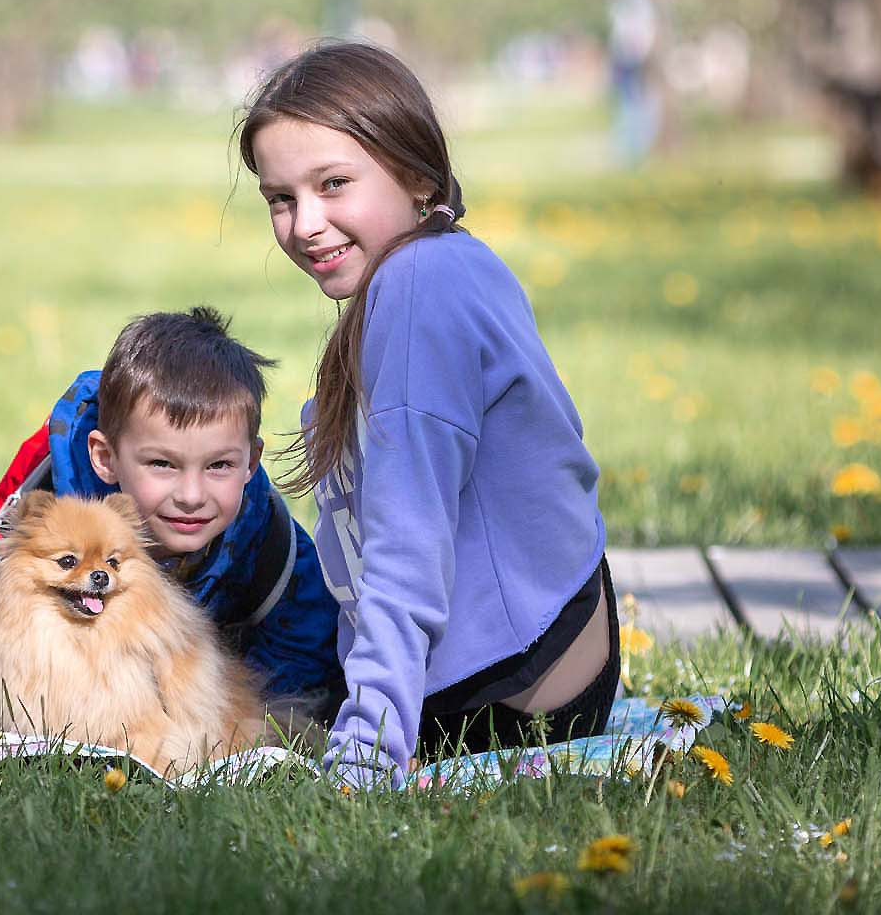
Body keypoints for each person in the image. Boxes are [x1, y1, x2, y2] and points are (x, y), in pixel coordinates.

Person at [239, 40, 614, 786]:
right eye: (281, 199)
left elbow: (409, 535)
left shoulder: (419, 287)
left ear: (416, 175)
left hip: (506, 696)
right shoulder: (440, 263)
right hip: (536, 666)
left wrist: (369, 748)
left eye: (333, 184)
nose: (305, 222)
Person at [0, 307, 341, 751]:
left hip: (140, 687)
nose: (191, 494)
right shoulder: (64, 496)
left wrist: (233, 712)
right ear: (105, 457)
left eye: (218, 467)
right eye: (162, 464)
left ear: (251, 461)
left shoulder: (270, 545)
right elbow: (2, 599)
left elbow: (303, 656)